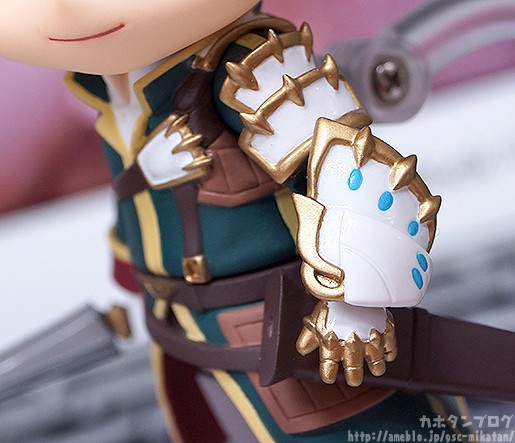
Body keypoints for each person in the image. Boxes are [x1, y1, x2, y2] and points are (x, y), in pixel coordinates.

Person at [0, 1, 469, 441]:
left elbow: (360, 176)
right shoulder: (113, 85)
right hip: (187, 327)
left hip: (294, 328)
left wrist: (357, 305)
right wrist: (131, 268)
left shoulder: (259, 69)